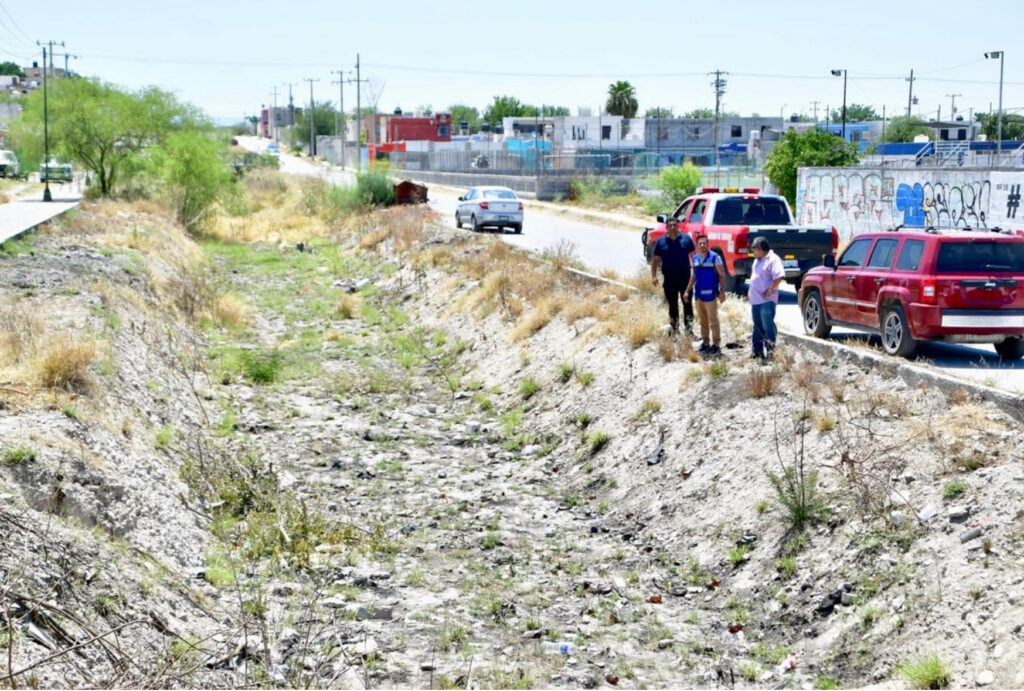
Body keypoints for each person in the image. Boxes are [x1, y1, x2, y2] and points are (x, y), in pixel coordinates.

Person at [684, 234, 727, 355]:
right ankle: (706, 343)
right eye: (700, 244)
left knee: (713, 321)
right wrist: (687, 290)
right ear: (697, 246)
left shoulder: (714, 257)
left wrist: (722, 290)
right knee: (703, 321)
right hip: (698, 296)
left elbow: (722, 275)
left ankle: (716, 345)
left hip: (711, 296)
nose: (702, 245)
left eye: (704, 243)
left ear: (708, 244)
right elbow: (693, 276)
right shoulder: (696, 258)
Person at [650, 218, 694, 335]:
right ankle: (675, 330)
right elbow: (655, 260)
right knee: (672, 305)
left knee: (687, 304)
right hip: (669, 279)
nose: (673, 227)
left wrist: (697, 274)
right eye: (670, 225)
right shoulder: (661, 242)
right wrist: (654, 276)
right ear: (667, 227)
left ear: (678, 226)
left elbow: (694, 257)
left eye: (675, 225)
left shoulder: (686, 239)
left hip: (685, 278)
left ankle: (689, 331)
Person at [748, 236, 785, 360]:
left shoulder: (773, 259)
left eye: (754, 248)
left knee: (767, 326)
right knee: (757, 325)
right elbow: (754, 277)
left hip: (766, 300)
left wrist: (770, 290)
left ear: (761, 248)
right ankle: (757, 352)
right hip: (755, 299)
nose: (753, 250)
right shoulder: (757, 260)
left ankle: (770, 352)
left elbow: (779, 276)